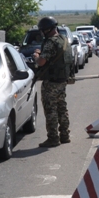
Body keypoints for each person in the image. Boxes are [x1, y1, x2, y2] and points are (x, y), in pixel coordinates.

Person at [32, 17, 70, 147]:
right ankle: (65, 135)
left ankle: (53, 138)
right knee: (62, 108)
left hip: (51, 83)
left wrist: (37, 57)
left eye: (43, 30)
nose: (42, 33)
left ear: (48, 29)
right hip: (62, 80)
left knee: (51, 110)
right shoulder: (64, 40)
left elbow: (42, 62)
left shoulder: (50, 42)